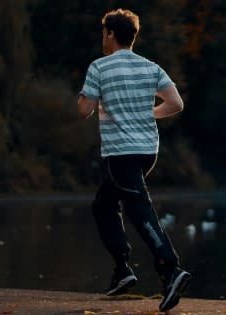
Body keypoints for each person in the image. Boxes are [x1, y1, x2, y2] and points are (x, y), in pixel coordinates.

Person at [77, 8, 189, 312]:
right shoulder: (151, 67)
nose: (102, 37)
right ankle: (122, 270)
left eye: (104, 32)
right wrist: (148, 113)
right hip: (146, 152)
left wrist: (91, 99)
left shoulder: (100, 67)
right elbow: (175, 103)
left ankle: (170, 268)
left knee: (139, 210)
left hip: (121, 153)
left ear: (111, 34)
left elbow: (84, 109)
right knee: (103, 205)